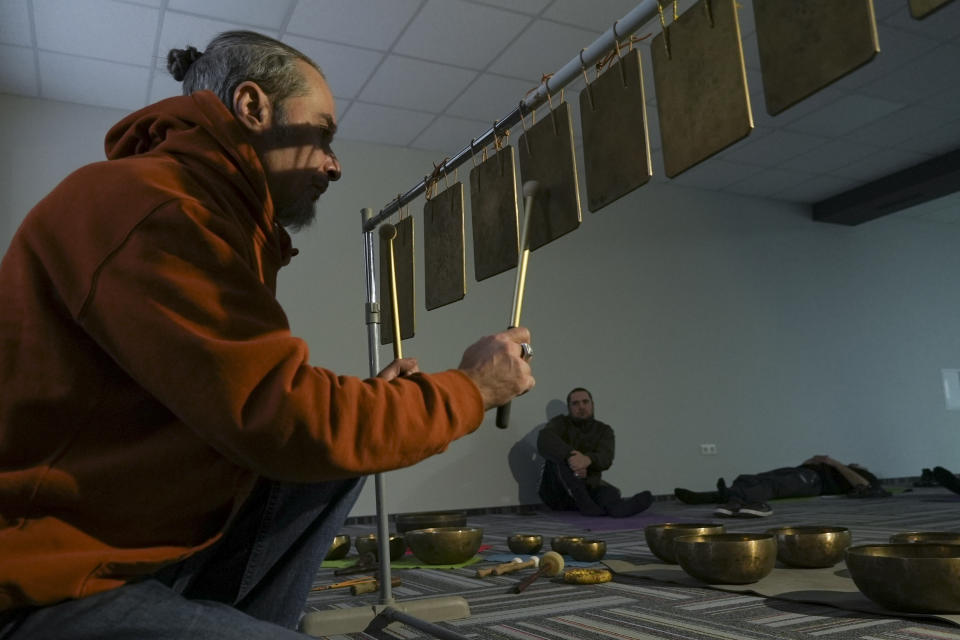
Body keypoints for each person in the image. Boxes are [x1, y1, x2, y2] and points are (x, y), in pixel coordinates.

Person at [0, 31, 535, 639]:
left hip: (132, 545)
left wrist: (378, 404)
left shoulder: (207, 215)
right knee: (323, 441)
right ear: (254, 108)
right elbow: (281, 417)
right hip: (42, 583)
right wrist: (470, 389)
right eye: (324, 134)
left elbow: (264, 408)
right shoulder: (153, 208)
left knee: (332, 461)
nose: (334, 165)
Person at [537, 388, 653, 517]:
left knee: (606, 492)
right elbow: (544, 440)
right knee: (560, 458)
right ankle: (586, 503)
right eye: (575, 403)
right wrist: (571, 457)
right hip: (559, 493)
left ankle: (619, 508)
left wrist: (587, 460)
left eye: (585, 402)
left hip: (588, 486)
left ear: (592, 404)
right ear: (569, 408)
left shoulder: (604, 430)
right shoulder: (559, 423)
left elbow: (606, 458)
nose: (581, 406)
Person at [674, 454, 889, 518]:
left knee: (774, 486)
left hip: (814, 482)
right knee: (753, 478)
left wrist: (833, 462)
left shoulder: (862, 473)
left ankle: (734, 501)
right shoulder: (832, 466)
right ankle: (715, 496)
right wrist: (812, 462)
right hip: (802, 471)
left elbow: (864, 486)